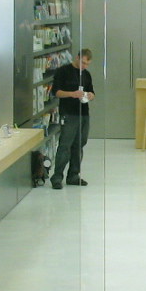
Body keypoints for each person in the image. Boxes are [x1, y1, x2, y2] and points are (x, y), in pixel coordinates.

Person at [50, 48, 95, 188]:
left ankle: (74, 175)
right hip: (69, 113)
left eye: (87, 64)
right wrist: (72, 94)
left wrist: (90, 96)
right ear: (77, 58)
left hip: (83, 113)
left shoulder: (86, 75)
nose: (84, 66)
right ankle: (57, 177)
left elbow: (92, 91)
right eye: (82, 63)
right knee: (65, 145)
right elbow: (56, 92)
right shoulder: (63, 71)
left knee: (79, 145)